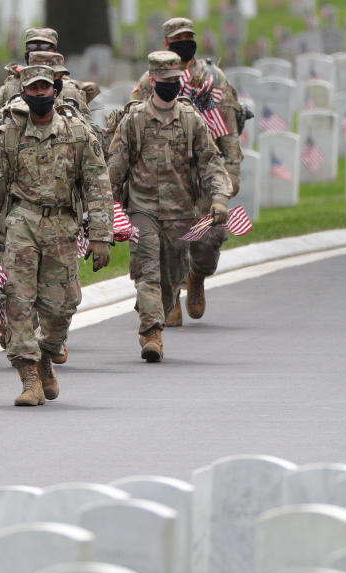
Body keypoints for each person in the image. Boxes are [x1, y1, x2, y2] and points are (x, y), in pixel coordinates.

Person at [0, 65, 113, 406]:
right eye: (32, 89)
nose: (39, 94)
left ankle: (46, 355)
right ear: (23, 93)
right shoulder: (8, 134)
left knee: (62, 306)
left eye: (44, 88)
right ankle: (29, 379)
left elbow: (97, 185)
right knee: (18, 303)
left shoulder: (78, 133)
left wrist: (100, 234)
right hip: (22, 222)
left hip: (62, 226)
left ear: (55, 89)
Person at [108, 51, 232, 362]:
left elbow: (211, 162)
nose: (170, 86)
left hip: (181, 214)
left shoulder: (191, 120)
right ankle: (151, 333)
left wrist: (219, 197)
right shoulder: (134, 121)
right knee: (148, 272)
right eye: (164, 82)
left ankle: (157, 310)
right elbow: (114, 170)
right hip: (143, 210)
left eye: (174, 81)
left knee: (172, 277)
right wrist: (104, 211)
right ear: (152, 82)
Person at [130, 17, 243, 325]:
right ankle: (174, 293)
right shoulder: (149, 81)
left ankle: (197, 276)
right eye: (177, 37)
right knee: (169, 240)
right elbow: (131, 125)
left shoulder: (212, 78)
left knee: (209, 238)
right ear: (166, 43)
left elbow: (229, 126)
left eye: (188, 36)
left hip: (206, 170)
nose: (184, 41)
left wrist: (230, 171)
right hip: (165, 174)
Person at [0, 28, 99, 115]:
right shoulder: (10, 87)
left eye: (45, 46)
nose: (38, 50)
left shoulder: (69, 90)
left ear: (54, 50)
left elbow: (86, 130)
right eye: (32, 46)